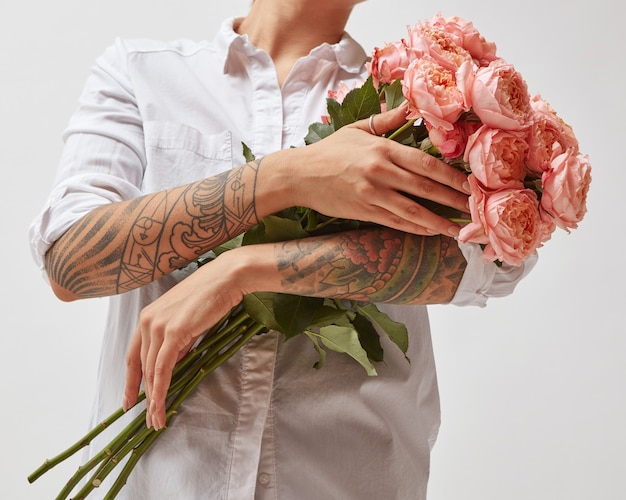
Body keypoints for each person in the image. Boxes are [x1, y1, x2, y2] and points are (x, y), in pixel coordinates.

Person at [29, 0, 536, 498]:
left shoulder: (421, 97)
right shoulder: (141, 75)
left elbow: (486, 261)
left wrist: (245, 270)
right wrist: (287, 178)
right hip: (165, 482)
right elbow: (70, 262)